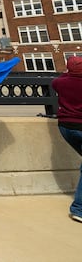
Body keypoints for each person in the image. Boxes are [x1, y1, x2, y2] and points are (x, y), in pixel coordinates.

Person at [51, 55, 82, 223]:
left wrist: (66, 73)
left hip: (66, 127)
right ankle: (79, 208)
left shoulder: (60, 83)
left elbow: (57, 80)